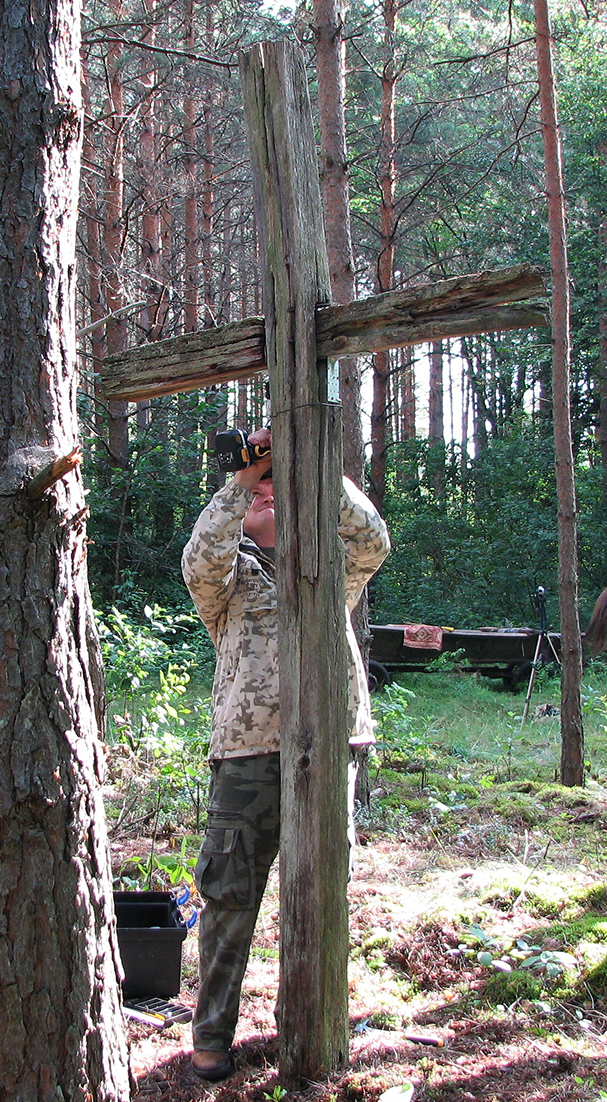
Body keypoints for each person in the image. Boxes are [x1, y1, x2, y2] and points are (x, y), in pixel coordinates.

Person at [180, 428, 390, 1082]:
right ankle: (213, 1032)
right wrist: (243, 481)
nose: (268, 490)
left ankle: (313, 1020)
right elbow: (198, 560)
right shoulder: (227, 576)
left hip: (330, 743)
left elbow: (373, 540)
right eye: (258, 488)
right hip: (248, 752)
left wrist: (315, 466)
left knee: (324, 885)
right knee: (229, 892)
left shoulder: (328, 562)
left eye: (279, 484)